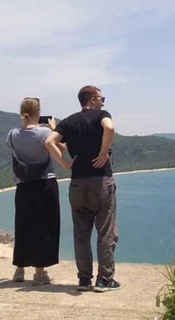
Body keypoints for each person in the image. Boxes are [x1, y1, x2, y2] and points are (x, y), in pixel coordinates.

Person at [45, 85, 119, 293]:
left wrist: (65, 164)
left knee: (81, 233)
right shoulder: (101, 115)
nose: (103, 102)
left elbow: (50, 142)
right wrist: (104, 152)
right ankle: (105, 279)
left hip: (77, 184)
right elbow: (110, 128)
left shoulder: (69, 122)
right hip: (100, 181)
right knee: (105, 232)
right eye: (102, 98)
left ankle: (84, 279)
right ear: (93, 99)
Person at [7, 97, 61, 286]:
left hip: (23, 185)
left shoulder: (12, 134)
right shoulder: (45, 132)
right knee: (44, 227)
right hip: (44, 184)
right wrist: (54, 129)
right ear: (39, 112)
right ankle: (39, 274)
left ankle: (19, 270)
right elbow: (61, 146)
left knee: (23, 226)